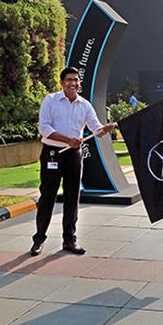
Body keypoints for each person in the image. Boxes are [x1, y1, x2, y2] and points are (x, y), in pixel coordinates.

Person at [32, 67, 115, 256]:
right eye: (69, 80)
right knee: (47, 196)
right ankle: (39, 239)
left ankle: (69, 240)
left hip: (73, 155)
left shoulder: (84, 105)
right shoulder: (50, 101)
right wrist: (67, 140)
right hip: (52, 153)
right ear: (62, 83)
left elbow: (96, 128)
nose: (73, 83)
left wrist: (105, 128)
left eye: (76, 80)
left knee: (72, 197)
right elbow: (44, 128)